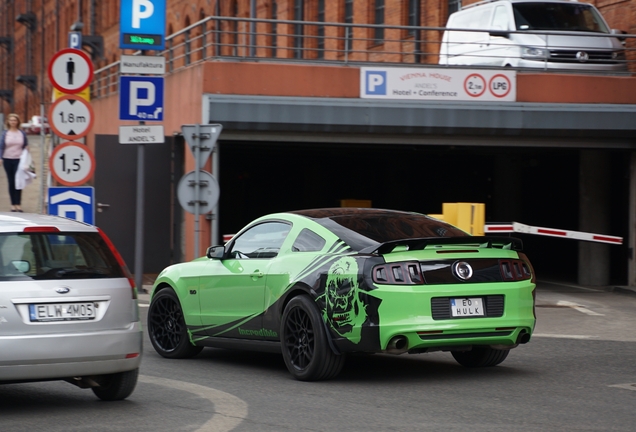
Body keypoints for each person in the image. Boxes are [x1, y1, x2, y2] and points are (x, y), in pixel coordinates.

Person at [0, 113, 29, 212]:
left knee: (19, 181)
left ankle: (18, 204)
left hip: (19, 160)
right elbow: (1, 147)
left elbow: (25, 144)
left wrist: (27, 149)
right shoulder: (5, 133)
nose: (13, 122)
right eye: (11, 120)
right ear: (8, 122)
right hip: (7, 159)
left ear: (17, 122)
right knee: (11, 181)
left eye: (15, 120)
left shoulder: (22, 133)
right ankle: (13, 204)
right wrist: (0, 158)